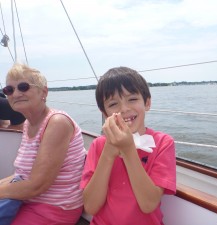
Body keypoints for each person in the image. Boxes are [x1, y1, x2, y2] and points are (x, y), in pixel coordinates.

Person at [80, 67, 176, 225]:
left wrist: (128, 150)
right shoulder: (98, 145)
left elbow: (148, 204)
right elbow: (91, 207)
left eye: (132, 99)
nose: (124, 109)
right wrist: (109, 153)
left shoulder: (163, 143)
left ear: (147, 102)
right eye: (113, 104)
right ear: (104, 113)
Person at [0, 63, 86, 225]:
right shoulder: (28, 123)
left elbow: (37, 185)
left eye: (23, 87)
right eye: (9, 90)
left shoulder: (57, 123)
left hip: (54, 208)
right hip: (26, 201)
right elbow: (23, 175)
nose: (16, 93)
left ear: (44, 92)